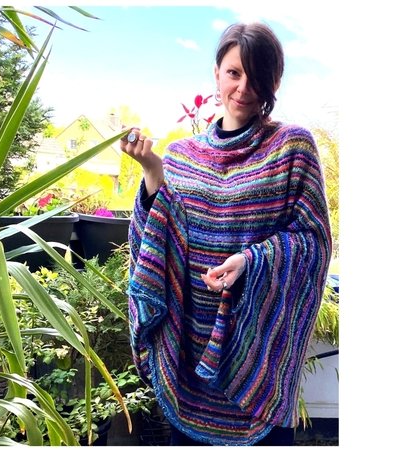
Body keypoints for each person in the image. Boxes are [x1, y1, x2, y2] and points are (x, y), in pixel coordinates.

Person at [120, 22, 332, 446]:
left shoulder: (292, 147)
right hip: (187, 358)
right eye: (234, 72)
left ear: (275, 81)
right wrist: (153, 174)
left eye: (257, 75)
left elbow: (314, 243)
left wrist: (250, 261)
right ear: (217, 73)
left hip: (258, 361)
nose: (244, 87)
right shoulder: (180, 156)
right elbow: (151, 244)